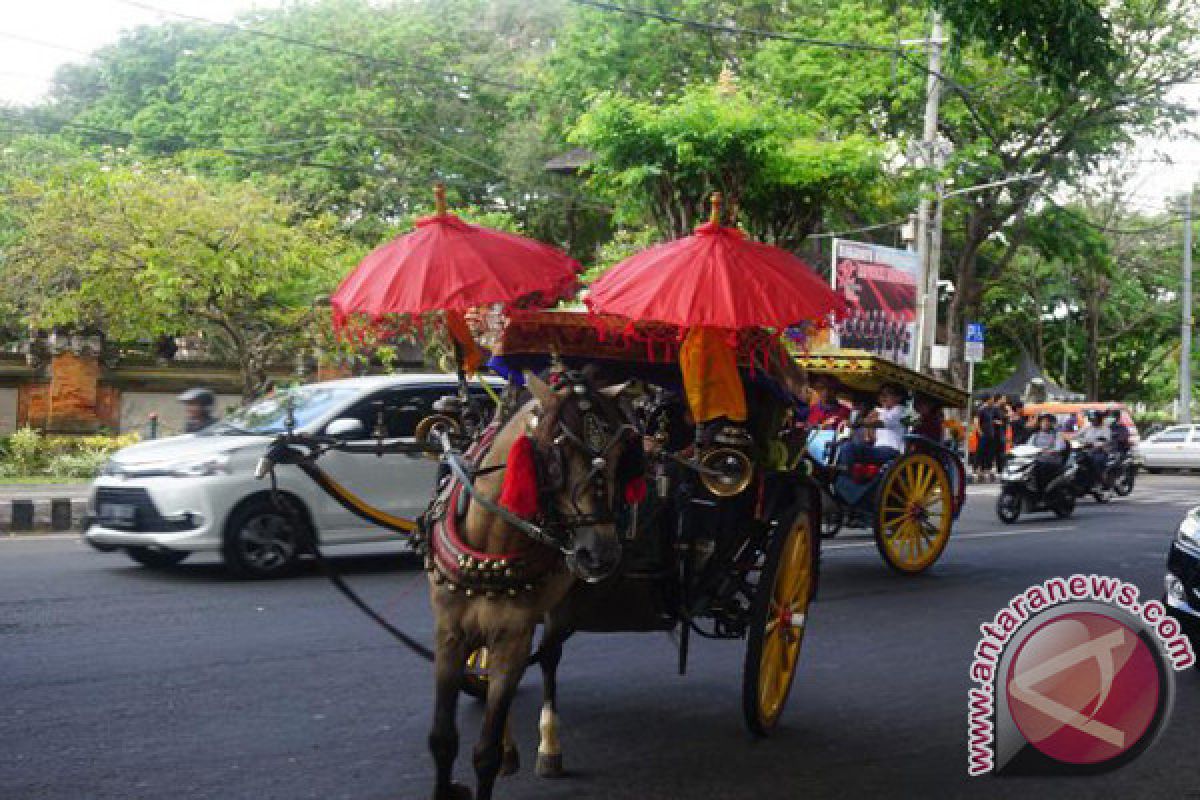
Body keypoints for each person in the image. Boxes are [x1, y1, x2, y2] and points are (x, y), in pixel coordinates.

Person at [1028, 413, 1069, 490]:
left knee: (1040, 467)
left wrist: (1051, 451)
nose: (1045, 423)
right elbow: (1028, 446)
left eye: (1048, 421)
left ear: (1052, 423)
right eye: (1043, 421)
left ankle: (1040, 489)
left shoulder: (1057, 435)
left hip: (1052, 460)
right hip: (1036, 459)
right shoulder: (1035, 435)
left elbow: (1060, 447)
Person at [974, 395, 998, 482]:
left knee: (989, 452)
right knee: (980, 451)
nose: (993, 400)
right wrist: (980, 432)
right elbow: (976, 421)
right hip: (983, 434)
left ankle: (985, 469)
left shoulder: (991, 409)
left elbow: (990, 421)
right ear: (987, 400)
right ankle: (977, 469)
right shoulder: (981, 409)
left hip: (990, 435)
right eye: (991, 398)